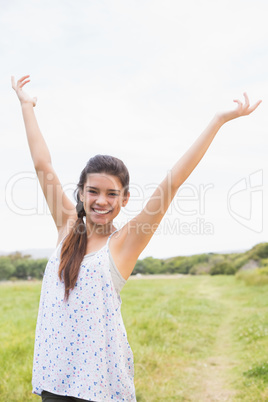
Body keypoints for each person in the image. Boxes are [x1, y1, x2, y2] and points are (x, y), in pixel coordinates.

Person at [12, 75, 261, 402]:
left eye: (111, 194)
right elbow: (42, 163)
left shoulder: (126, 242)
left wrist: (217, 121)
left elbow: (172, 182)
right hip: (55, 380)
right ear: (82, 193)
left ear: (125, 199)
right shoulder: (67, 226)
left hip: (98, 386)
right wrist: (26, 105)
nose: (102, 201)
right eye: (94, 191)